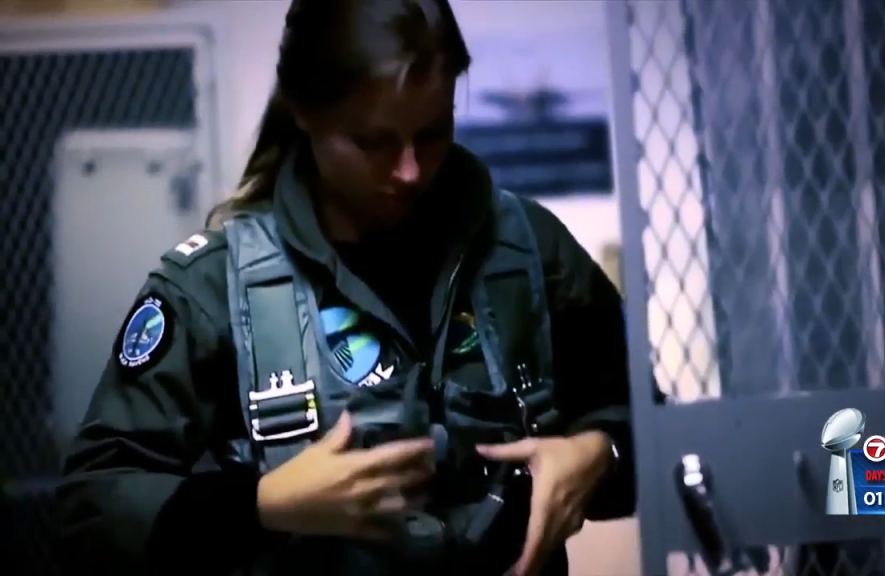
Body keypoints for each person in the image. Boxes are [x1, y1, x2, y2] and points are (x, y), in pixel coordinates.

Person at [56, 0, 635, 574]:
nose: (409, 170)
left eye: (432, 134)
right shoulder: (210, 289)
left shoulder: (529, 252)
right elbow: (92, 513)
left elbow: (648, 428)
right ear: (305, 112)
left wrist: (598, 454)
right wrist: (262, 506)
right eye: (373, 142)